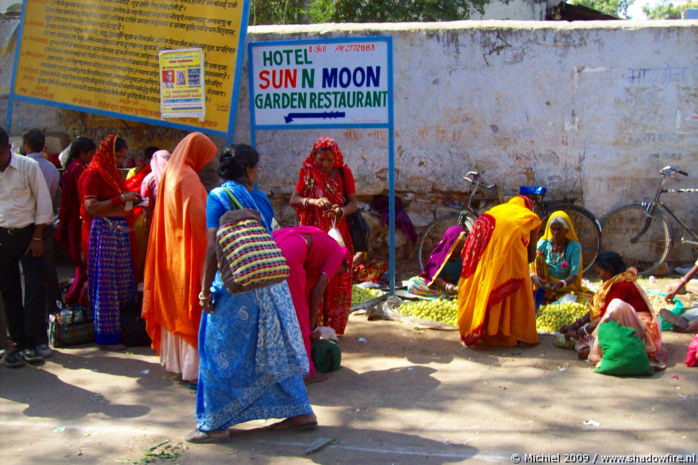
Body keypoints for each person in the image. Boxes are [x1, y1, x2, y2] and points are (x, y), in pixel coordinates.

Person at [188, 144, 315, 443]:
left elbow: (213, 249)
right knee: (274, 350)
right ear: (247, 170)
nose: (258, 174)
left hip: (237, 286)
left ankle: (216, 422)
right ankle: (300, 411)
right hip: (269, 285)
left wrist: (205, 289)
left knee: (217, 351)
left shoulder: (218, 198)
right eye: (257, 168)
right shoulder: (259, 199)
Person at [142, 133, 217, 386]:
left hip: (172, 251)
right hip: (189, 250)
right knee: (190, 307)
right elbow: (199, 220)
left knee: (176, 305)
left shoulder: (171, 174)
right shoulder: (187, 177)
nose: (205, 163)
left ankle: (177, 364)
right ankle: (192, 369)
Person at [289, 137, 357, 335]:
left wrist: (341, 211)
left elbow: (353, 203)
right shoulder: (307, 172)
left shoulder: (344, 173)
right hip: (312, 237)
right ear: (314, 157)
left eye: (329, 160)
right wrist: (312, 202)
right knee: (314, 279)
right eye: (321, 160)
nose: (325, 165)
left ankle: (334, 329)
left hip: (337, 235)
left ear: (336, 158)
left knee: (336, 278)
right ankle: (313, 326)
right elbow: (294, 200)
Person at [79, 135, 140, 351]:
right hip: (105, 233)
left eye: (122, 158)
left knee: (123, 283)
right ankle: (107, 337)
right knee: (107, 285)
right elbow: (90, 208)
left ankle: (126, 331)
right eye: (116, 156)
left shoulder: (111, 174)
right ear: (106, 153)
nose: (119, 161)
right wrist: (120, 201)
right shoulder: (93, 174)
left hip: (119, 231)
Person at [0, 126, 54, 366]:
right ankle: (19, 342)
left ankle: (37, 339)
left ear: (9, 148)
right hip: (3, 236)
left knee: (33, 288)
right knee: (8, 289)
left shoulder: (27, 167)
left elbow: (43, 203)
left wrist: (38, 237)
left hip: (29, 234)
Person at [457, 196, 541, 347]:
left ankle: (483, 328)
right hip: (511, 259)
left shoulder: (495, 211)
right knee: (513, 294)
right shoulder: (528, 216)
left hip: (484, 256)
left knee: (486, 287)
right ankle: (509, 332)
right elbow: (531, 254)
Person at [273, 225, 350, 384]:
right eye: (340, 271)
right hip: (291, 251)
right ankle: (306, 371)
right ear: (343, 263)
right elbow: (317, 292)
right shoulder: (336, 252)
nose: (335, 273)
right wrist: (312, 327)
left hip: (275, 243)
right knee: (300, 314)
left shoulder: (322, 246)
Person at [561, 252, 665, 368]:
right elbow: (597, 308)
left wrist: (582, 331)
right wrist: (576, 325)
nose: (598, 277)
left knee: (614, 310)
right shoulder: (612, 284)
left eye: (599, 273)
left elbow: (606, 315)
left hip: (640, 329)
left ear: (609, 271)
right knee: (586, 342)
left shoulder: (622, 285)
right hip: (624, 323)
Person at [22, 128, 62, 323]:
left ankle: (34, 317)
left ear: (26, 145)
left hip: (26, 225)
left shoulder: (24, 166)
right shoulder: (51, 168)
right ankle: (54, 309)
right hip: (45, 223)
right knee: (47, 269)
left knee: (30, 274)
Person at [55, 137, 96, 305]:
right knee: (84, 261)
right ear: (83, 153)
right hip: (79, 221)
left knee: (81, 262)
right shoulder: (79, 170)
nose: (92, 158)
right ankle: (75, 298)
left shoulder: (70, 169)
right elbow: (83, 199)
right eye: (90, 154)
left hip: (72, 219)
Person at [531, 211, 592, 306]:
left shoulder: (574, 247)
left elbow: (574, 274)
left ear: (566, 230)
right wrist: (535, 277)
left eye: (559, 229)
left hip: (564, 287)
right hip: (545, 285)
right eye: (553, 229)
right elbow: (528, 261)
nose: (555, 233)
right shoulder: (544, 244)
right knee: (537, 256)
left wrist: (561, 284)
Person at [407, 225, 466, 299]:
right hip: (439, 287)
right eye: (457, 244)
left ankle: (448, 297)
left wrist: (457, 286)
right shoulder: (439, 254)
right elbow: (431, 275)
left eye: (462, 243)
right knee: (412, 283)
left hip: (457, 288)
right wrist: (446, 285)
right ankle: (446, 297)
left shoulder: (464, 255)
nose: (460, 247)